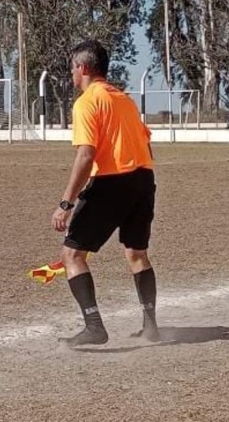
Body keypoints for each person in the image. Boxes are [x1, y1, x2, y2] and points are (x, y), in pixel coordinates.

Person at [51, 40, 159, 348]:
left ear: (83, 68)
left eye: (72, 67)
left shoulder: (88, 102)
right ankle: (151, 326)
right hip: (144, 178)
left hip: (112, 182)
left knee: (71, 254)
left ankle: (94, 326)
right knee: (137, 254)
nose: (71, 74)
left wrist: (66, 204)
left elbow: (86, 155)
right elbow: (145, 142)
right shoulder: (123, 99)